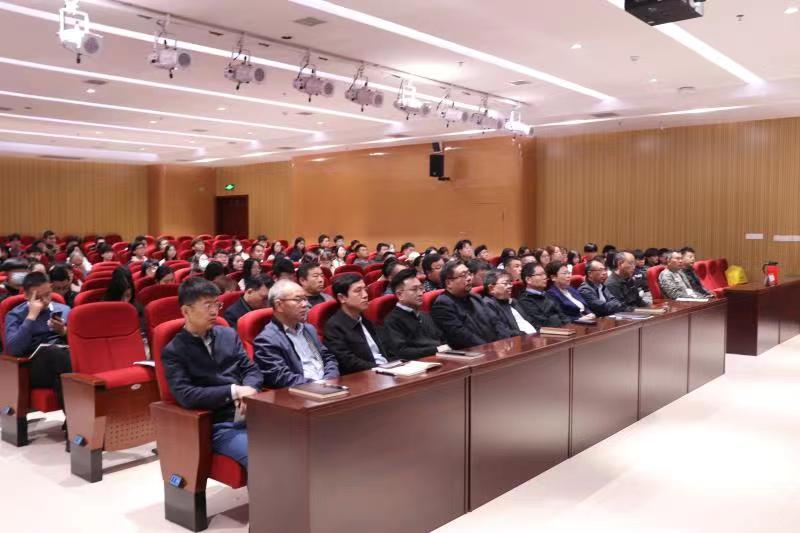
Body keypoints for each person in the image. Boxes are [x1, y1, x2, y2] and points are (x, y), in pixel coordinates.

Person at [161, 277, 263, 469]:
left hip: (253, 413)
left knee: (300, 441)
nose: (215, 311)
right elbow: (186, 395)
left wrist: (249, 389)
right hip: (219, 424)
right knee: (263, 458)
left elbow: (251, 370)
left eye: (217, 304)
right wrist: (234, 391)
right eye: (208, 305)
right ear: (186, 311)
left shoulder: (228, 334)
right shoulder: (174, 350)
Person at [5, 272, 72, 412]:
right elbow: (14, 349)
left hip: (63, 359)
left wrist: (63, 331)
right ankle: (77, 419)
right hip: (32, 367)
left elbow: (78, 341)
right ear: (26, 296)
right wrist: (31, 317)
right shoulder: (15, 315)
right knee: (54, 353)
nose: (46, 301)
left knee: (67, 357)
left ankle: (74, 420)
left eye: (48, 294)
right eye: (39, 298)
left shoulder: (64, 310)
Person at [253, 280, 339, 388]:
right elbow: (281, 377)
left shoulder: (309, 329)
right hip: (301, 392)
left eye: (305, 299)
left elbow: (328, 358)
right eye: (298, 300)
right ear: (279, 305)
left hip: (328, 387)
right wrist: (318, 386)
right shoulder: (267, 340)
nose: (305, 304)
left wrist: (330, 379)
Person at [323, 273, 390, 374]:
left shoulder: (366, 319)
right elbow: (349, 362)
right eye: (358, 291)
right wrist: (382, 368)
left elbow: (387, 348)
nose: (365, 295)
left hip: (386, 369)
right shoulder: (333, 327)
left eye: (365, 289)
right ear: (342, 298)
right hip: (368, 375)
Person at [381, 268, 449, 360]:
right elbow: (402, 352)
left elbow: (442, 339)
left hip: (442, 358)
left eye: (421, 288)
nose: (421, 293)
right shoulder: (392, 321)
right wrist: (436, 349)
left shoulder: (425, 315)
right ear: (400, 295)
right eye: (414, 289)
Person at [430, 260, 498, 349]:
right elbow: (463, 337)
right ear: (448, 283)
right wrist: (489, 348)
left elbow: (496, 322)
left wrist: (503, 342)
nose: (469, 278)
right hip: (472, 352)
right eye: (463, 275)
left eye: (469, 274)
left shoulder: (475, 297)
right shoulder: (442, 306)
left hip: (494, 347)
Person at [482, 269, 536, 337]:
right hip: (519, 340)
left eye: (510, 283)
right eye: (505, 283)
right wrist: (526, 336)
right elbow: (502, 331)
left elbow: (531, 321)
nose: (510, 286)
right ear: (491, 288)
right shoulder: (488, 305)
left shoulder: (513, 301)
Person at [517, 262, 571, 328]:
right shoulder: (525, 300)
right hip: (548, 332)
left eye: (545, 274)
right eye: (540, 274)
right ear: (528, 280)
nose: (545, 277)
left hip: (563, 329)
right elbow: (542, 323)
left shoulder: (547, 294)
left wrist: (568, 326)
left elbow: (562, 315)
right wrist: (556, 318)